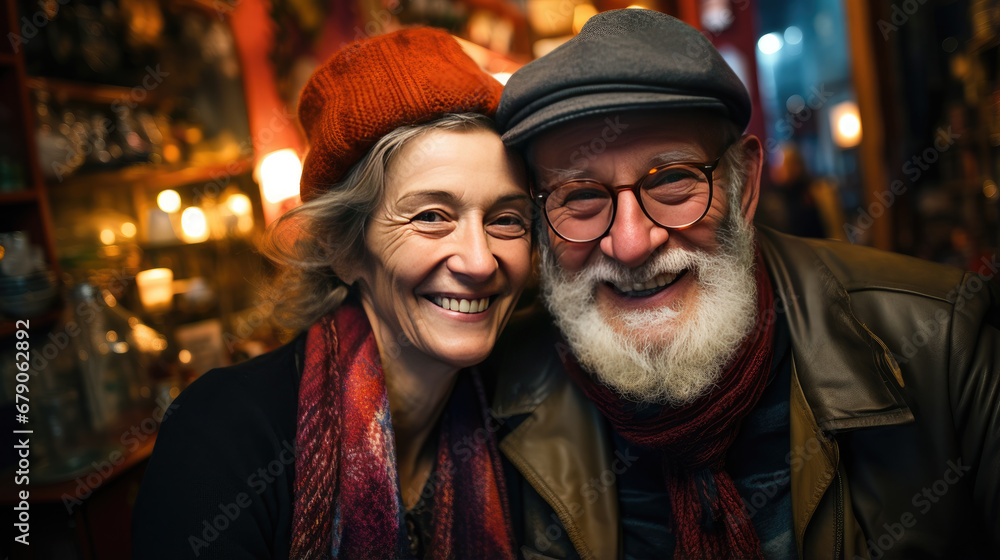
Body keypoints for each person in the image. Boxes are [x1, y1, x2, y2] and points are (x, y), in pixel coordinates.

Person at [487, 9, 1000, 560]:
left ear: (746, 185)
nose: (632, 244)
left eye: (674, 180)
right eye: (581, 197)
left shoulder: (943, 340)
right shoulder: (492, 389)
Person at [132, 28, 532, 559]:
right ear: (345, 250)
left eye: (507, 219)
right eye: (431, 217)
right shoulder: (223, 435)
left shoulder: (528, 410)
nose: (479, 261)